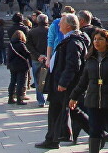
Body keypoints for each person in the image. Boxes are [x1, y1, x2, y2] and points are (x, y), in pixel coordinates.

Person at [37, 12, 88, 150]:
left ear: (69, 26)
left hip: (65, 85)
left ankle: (99, 133)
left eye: (62, 22)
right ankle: (51, 139)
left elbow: (73, 65)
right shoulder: (69, 39)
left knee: (74, 111)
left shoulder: (74, 41)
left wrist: (63, 82)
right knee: (55, 111)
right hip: (58, 83)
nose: (59, 24)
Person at [7, 28, 33, 105]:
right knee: (20, 82)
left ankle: (10, 98)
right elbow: (27, 54)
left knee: (12, 81)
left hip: (12, 65)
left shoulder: (10, 44)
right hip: (21, 65)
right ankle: (19, 99)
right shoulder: (21, 44)